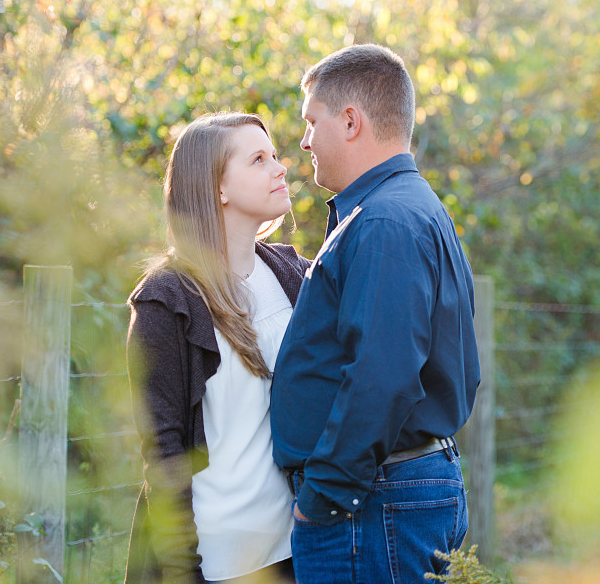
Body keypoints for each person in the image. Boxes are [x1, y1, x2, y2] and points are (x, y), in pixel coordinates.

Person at [270, 44, 481, 582]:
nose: (304, 139)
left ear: (349, 120)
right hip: (388, 495)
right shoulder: (408, 207)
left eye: (311, 122)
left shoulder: (385, 221)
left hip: (371, 503)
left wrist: (321, 498)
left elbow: (382, 377)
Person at [125, 112, 308, 583]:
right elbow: (163, 453)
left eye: (274, 155)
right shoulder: (168, 301)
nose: (279, 167)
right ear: (217, 188)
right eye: (258, 159)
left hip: (294, 548)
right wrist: (184, 571)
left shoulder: (294, 276)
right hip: (217, 559)